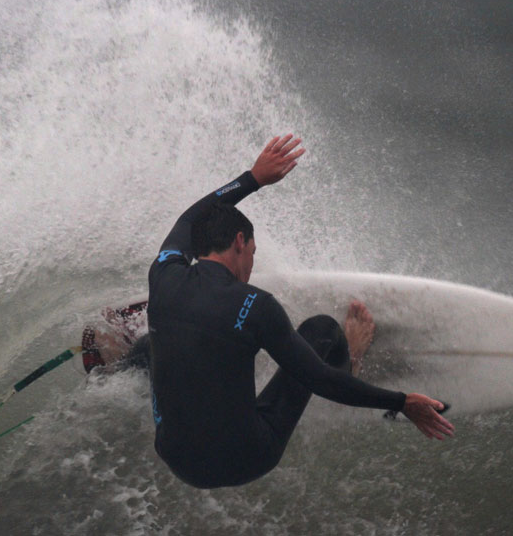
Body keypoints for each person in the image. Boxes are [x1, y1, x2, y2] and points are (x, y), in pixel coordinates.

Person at [146, 134, 455, 489]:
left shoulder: (163, 274)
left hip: (174, 455)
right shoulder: (254, 304)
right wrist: (401, 401)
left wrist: (252, 178)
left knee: (156, 338)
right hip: (246, 458)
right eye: (253, 252)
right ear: (239, 242)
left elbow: (189, 220)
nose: (251, 263)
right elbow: (319, 380)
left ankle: (118, 359)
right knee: (322, 330)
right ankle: (351, 359)